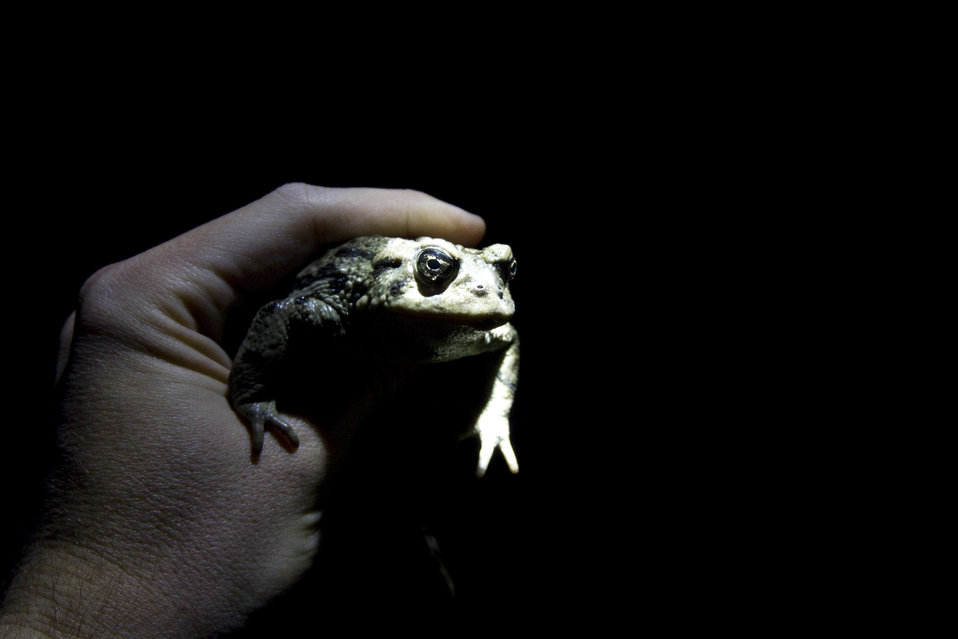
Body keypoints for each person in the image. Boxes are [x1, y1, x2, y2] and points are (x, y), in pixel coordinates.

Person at [0, 184, 486, 638]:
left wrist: (494, 410)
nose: (488, 291)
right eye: (438, 269)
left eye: (506, 272)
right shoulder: (340, 307)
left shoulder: (480, 310)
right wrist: (251, 392)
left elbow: (505, 338)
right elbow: (282, 313)